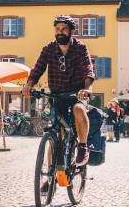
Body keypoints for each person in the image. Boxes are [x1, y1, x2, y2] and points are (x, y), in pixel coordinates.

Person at [23, 15, 95, 168]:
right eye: (57, 29)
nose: (60, 32)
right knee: (56, 135)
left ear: (71, 31)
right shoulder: (49, 49)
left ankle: (82, 146)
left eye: (64, 29)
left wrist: (86, 89)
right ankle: (49, 177)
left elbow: (88, 70)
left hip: (77, 93)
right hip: (57, 94)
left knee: (78, 109)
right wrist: (29, 84)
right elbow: (38, 69)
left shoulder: (80, 48)